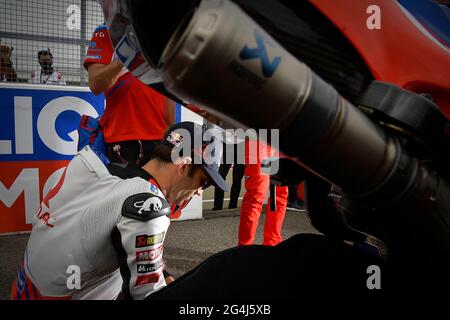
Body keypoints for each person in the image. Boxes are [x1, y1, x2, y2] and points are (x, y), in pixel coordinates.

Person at [10, 121, 227, 300]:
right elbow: (146, 295)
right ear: (184, 167)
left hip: (24, 287)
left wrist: (162, 273)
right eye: (204, 181)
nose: (199, 192)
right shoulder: (148, 205)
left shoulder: (94, 166)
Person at [84, 24, 175, 165]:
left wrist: (171, 134)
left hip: (160, 141)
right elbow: (95, 84)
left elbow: (167, 88)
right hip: (123, 141)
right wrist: (125, 54)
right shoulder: (107, 32)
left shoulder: (163, 35)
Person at [238, 140, 289, 246]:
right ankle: (244, 247)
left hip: (282, 140)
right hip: (259, 138)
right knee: (256, 195)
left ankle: (272, 243)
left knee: (280, 194)